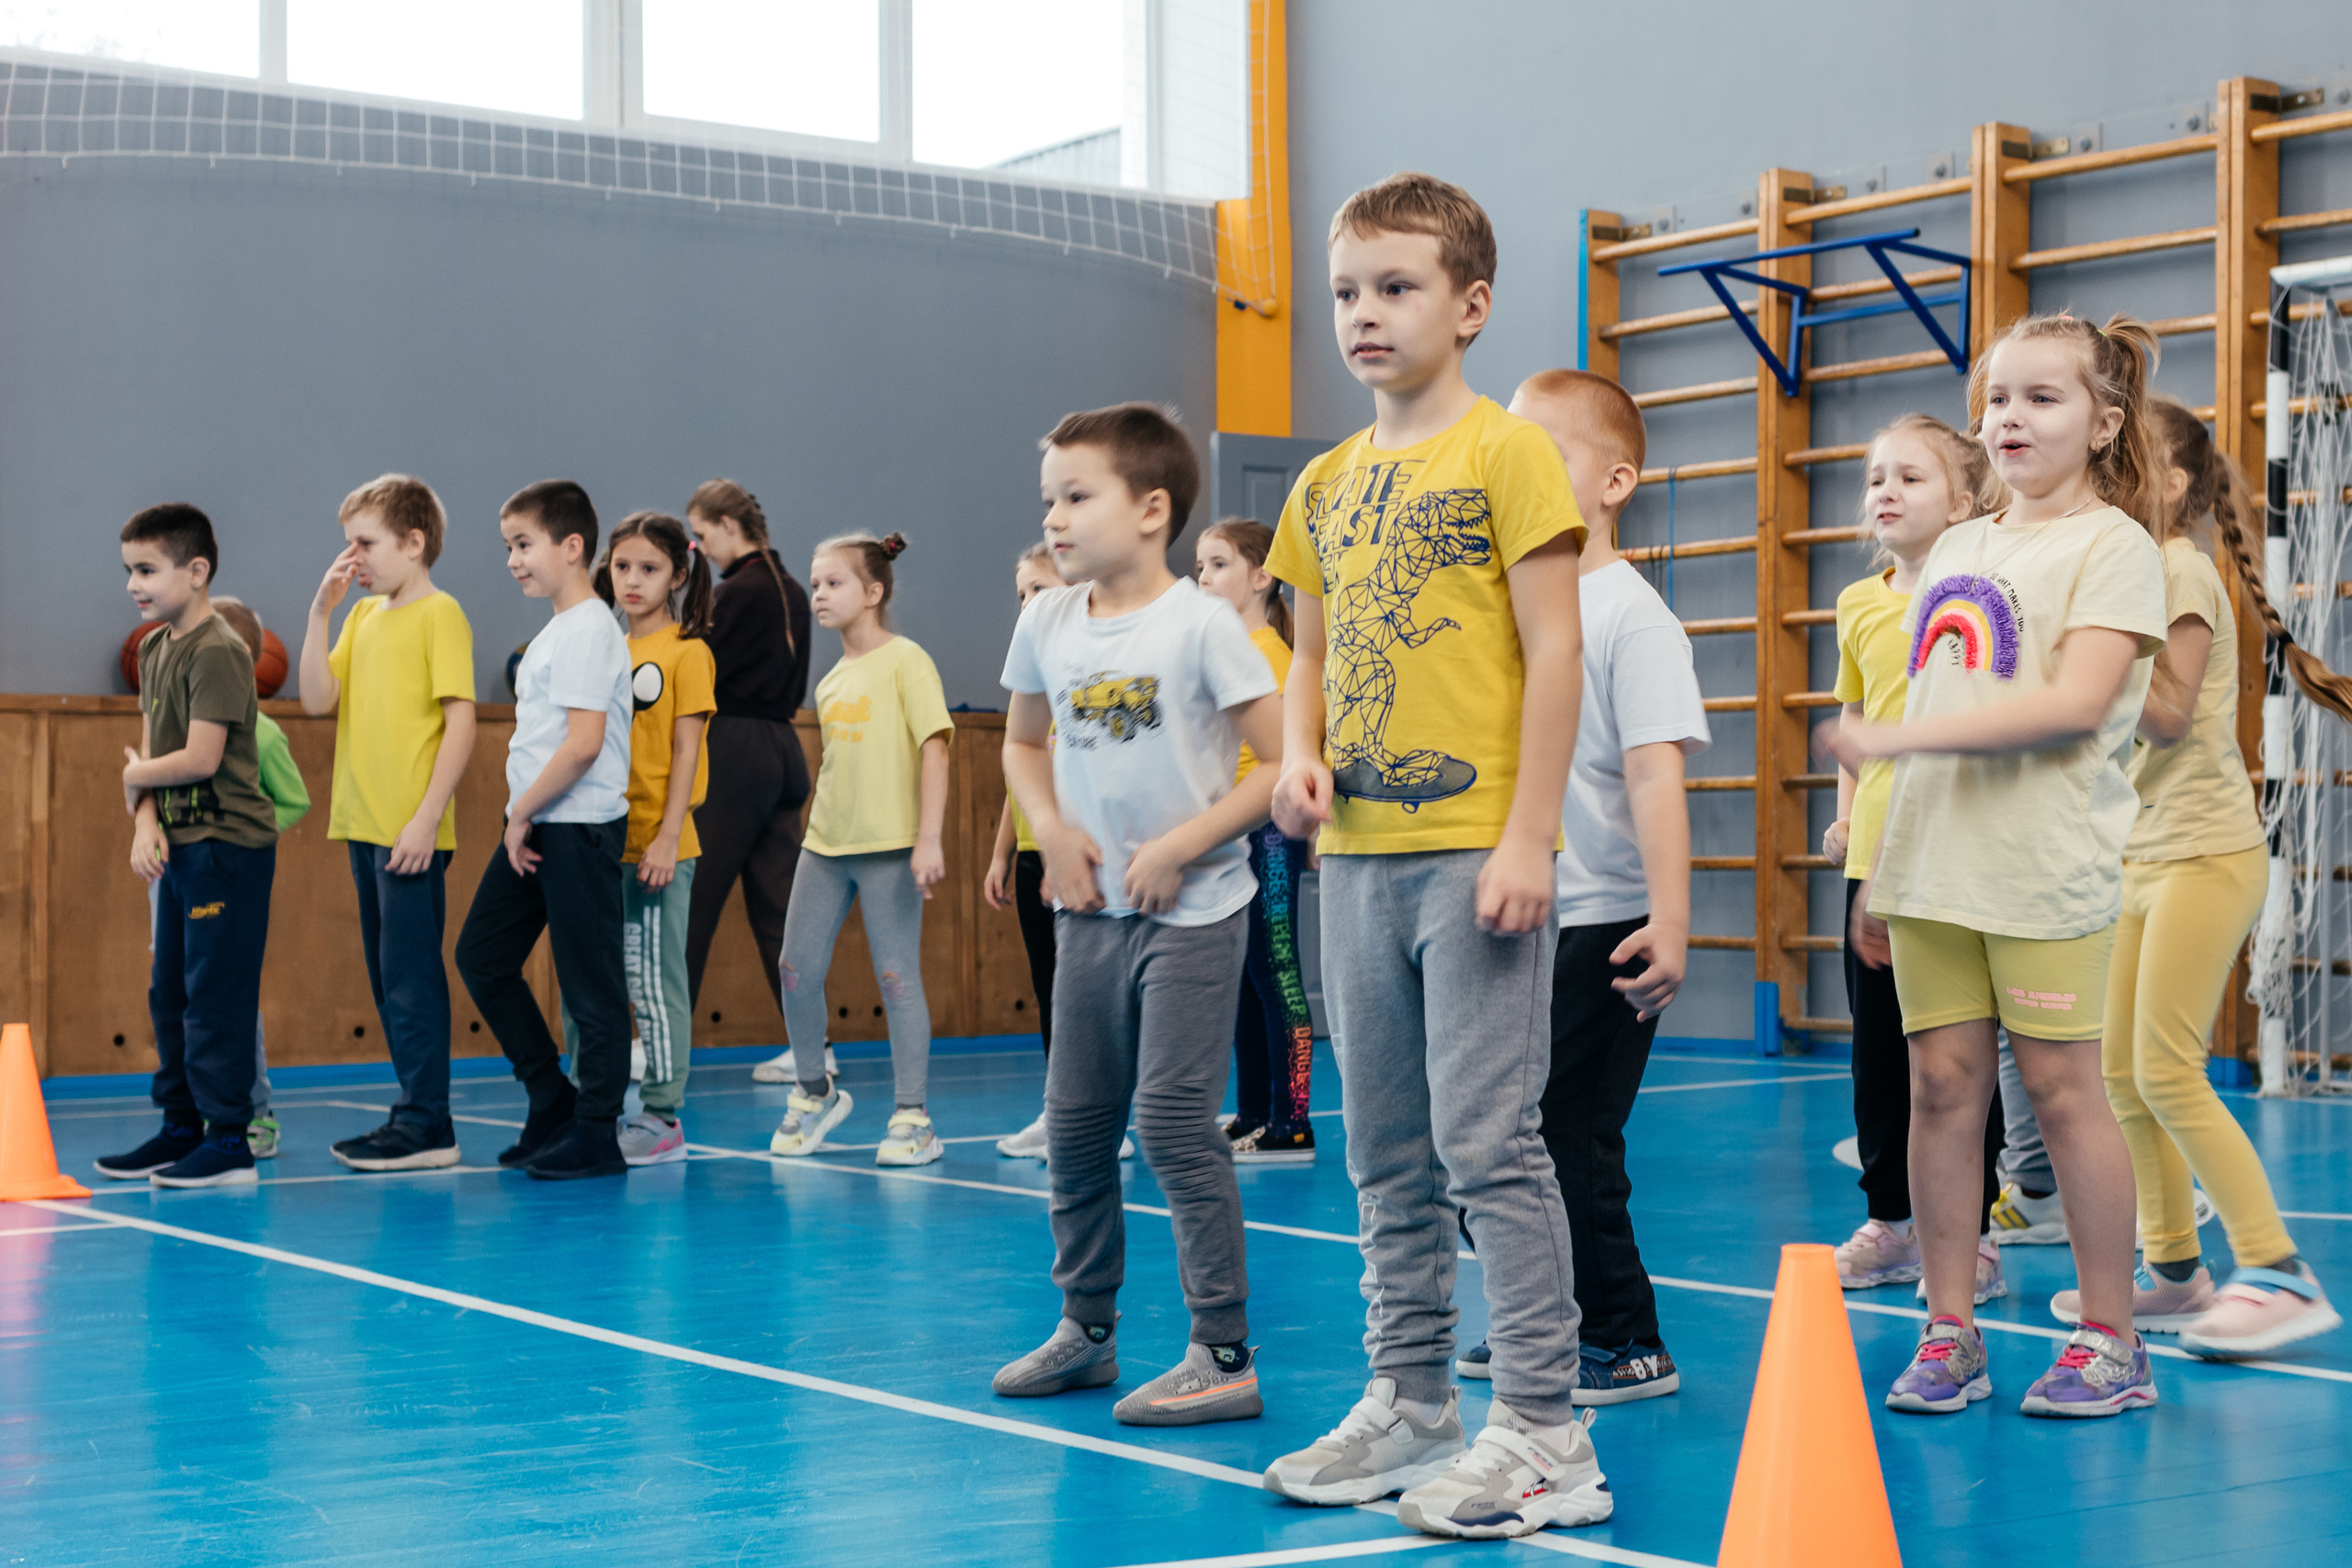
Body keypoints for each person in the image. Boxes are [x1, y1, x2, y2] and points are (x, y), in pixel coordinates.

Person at [1261, 173, 1609, 1541]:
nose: (1363, 312)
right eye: (1346, 289)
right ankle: (1410, 1394)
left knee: (1489, 1142)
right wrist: (1297, 755)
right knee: (1383, 1148)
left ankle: (1544, 1425)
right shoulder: (1325, 484)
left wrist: (1531, 832)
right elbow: (1314, 656)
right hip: (1357, 855)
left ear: (1467, 305)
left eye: (1396, 287)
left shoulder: (1507, 454)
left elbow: (1558, 648)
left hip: (1477, 852)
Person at [1832, 312, 2170, 1419]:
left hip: (2041, 870)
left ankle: (2113, 1342)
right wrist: (1882, 869)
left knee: (2066, 1094)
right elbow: (1939, 697)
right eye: (1996, 399)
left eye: (2042, 398)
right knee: (1940, 1095)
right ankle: (1948, 1327)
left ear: (2103, 420)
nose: (2010, 418)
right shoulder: (1961, 548)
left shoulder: (2112, 546)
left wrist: (1898, 742)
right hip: (1932, 873)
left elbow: (2073, 708)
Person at [990, 401, 1283, 1429]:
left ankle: (1224, 1350)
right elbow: (1023, 746)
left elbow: (1279, 765)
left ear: (1151, 508)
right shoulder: (1047, 621)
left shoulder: (1201, 625)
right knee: (1075, 1130)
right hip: (1089, 915)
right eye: (1048, 500)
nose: (1056, 519)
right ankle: (1087, 1331)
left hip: (1195, 913)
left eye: (1078, 497)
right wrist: (1051, 830)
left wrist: (1178, 846)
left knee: (1168, 1123)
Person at [1449, 368, 1704, 1405]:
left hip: (1603, 918)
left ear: (1613, 481)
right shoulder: (1512, 606)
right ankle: (1539, 1317)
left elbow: (1654, 774)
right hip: (1515, 913)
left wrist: (1672, 921)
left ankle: (1622, 1338)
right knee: (1488, 1130)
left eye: (1543, 454)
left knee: (1566, 1130)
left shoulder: (1630, 617)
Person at [2067, 395, 2341, 1357]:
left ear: (2172, 484)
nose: (2101, 476)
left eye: (2120, 462)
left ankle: (2276, 1271)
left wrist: (2078, 673)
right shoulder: (2136, 571)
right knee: (2118, 1073)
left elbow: (2172, 711)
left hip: (2205, 855)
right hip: (2142, 857)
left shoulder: (2178, 569)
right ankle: (2175, 1269)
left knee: (2168, 1070)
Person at [1822, 418, 2010, 1303]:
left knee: (1956, 1051)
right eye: (1874, 478)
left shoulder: (1982, 595)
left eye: (1911, 478)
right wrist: (1845, 817)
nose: (1885, 492)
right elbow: (1855, 731)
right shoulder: (1858, 605)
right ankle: (1890, 1219)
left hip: (1952, 854)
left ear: (1965, 502)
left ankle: (1973, 1232)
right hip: (1874, 860)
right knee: (1875, 1053)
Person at [454, 480, 635, 1181]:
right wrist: (523, 813)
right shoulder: (559, 630)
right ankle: (549, 1095)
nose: (512, 560)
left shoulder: (591, 627)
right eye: (509, 546)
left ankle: (597, 1131)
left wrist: (522, 810)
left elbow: (584, 743)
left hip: (576, 827)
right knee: (483, 955)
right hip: (538, 822)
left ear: (572, 547)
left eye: (523, 545)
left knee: (591, 989)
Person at [298, 475, 478, 1172]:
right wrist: (320, 614)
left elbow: (461, 720)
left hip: (410, 830)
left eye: (366, 543)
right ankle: (416, 1109)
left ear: (414, 541)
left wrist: (426, 818)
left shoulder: (442, 614)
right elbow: (317, 699)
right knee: (386, 976)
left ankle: (429, 1121)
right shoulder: (363, 617)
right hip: (365, 824)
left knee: (410, 978)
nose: (355, 558)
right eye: (349, 544)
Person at [97, 503, 279, 1189]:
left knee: (215, 997)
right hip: (176, 845)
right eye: (129, 570)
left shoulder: (221, 651)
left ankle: (229, 1138)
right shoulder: (153, 646)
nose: (133, 584)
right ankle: (181, 1126)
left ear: (196, 570)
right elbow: (150, 749)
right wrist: (143, 818)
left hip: (226, 848)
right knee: (168, 991)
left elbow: (199, 757)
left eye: (147, 569)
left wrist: (132, 775)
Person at [766, 533, 955, 1167]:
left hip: (892, 847)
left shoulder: (908, 661)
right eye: (815, 583)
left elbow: (935, 747)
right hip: (825, 845)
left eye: (833, 583)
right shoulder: (831, 679)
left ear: (873, 592)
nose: (819, 593)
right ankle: (814, 1090)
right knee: (795, 969)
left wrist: (928, 836)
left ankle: (912, 1115)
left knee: (896, 977)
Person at [560, 512, 716, 1167]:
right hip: (599, 844)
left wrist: (666, 836)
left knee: (653, 983)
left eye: (649, 568)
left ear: (677, 574)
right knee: (589, 984)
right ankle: (585, 1104)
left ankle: (660, 1113)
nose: (631, 579)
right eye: (621, 566)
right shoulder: (603, 647)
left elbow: (686, 750)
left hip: (658, 847)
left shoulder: (688, 652)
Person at [680, 479, 823, 1084]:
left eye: (703, 534)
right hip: (784, 748)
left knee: (690, 896)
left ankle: (665, 1038)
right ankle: (815, 1045)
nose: (700, 548)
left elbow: (694, 660)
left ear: (728, 527)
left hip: (734, 749)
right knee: (778, 909)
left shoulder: (736, 591)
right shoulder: (790, 588)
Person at [1194, 517, 1316, 1164]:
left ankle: (1293, 1118)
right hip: (1233, 828)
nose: (1204, 578)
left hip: (1269, 832)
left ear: (1260, 576)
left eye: (1217, 564)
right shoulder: (1225, 652)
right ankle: (1255, 1107)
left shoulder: (1273, 656)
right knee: (1245, 972)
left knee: (1276, 968)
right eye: (1200, 568)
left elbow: (1294, 746)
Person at [210, 596, 311, 1159]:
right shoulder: (185, 724)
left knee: (234, 998)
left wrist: (242, 835)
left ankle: (256, 1114)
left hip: (235, 877)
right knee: (191, 999)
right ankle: (206, 1110)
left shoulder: (263, 734)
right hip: (185, 878)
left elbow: (293, 801)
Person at [987, 542, 1069, 1161]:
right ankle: (1059, 1106)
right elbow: (1020, 771)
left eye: (1038, 589)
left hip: (1079, 862)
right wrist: (1000, 854)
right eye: (1021, 594)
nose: (1027, 604)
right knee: (1049, 990)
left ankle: (1089, 1112)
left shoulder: (1084, 675)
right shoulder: (1032, 681)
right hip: (1032, 857)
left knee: (1080, 994)